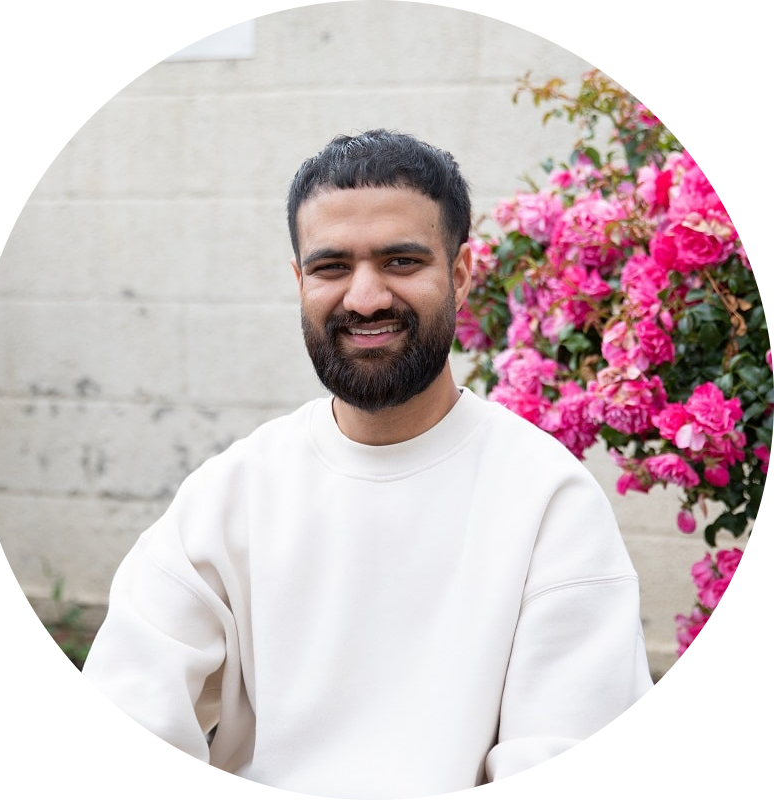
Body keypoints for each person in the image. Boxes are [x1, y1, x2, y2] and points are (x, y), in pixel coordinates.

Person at [82, 128, 654, 795]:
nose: (365, 298)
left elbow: (565, 734)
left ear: (460, 275)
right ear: (299, 282)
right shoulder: (230, 495)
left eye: (402, 262)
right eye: (330, 268)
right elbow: (133, 694)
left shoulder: (549, 501)